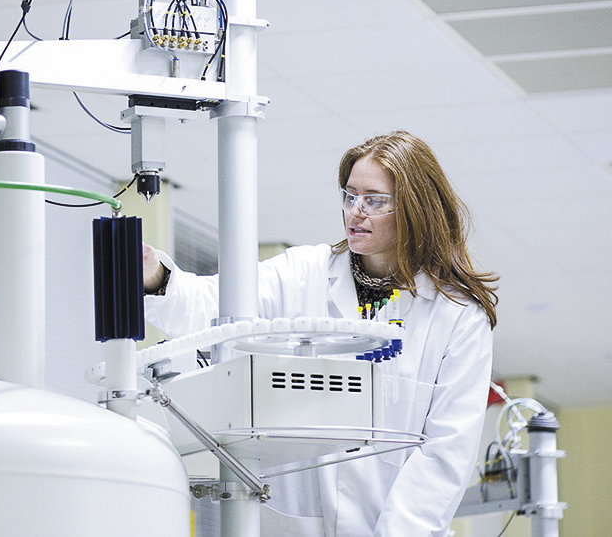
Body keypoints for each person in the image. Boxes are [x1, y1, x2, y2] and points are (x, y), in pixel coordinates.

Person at [143, 130, 498, 537]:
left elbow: (445, 452)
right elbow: (217, 309)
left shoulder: (458, 316)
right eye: (350, 196)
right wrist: (157, 277)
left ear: (415, 208)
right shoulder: (301, 274)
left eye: (374, 200)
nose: (355, 211)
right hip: (296, 525)